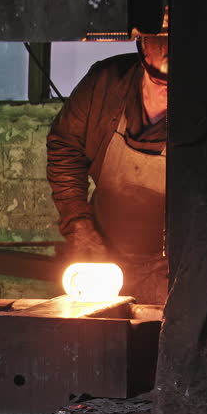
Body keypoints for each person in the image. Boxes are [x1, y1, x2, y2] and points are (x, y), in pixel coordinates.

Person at [46, 33, 170, 305]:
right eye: (160, 82)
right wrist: (79, 225)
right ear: (144, 52)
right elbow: (65, 147)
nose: (167, 94)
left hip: (171, 271)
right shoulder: (105, 86)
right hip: (101, 261)